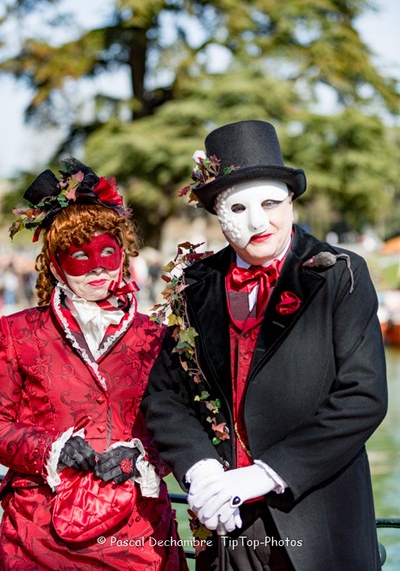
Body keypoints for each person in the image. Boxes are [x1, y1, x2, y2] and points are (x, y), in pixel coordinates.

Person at [141, 120, 388, 571]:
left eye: (271, 203)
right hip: (227, 527)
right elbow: (165, 396)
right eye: (238, 208)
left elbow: (363, 397)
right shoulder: (194, 287)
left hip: (318, 522)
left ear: (291, 201)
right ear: (218, 214)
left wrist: (264, 474)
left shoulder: (340, 273)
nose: (258, 221)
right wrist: (201, 470)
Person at [0, 158, 188, 570]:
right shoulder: (16, 333)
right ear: (55, 265)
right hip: (39, 541)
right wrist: (51, 448)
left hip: (140, 539)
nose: (100, 265)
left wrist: (141, 460)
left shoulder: (158, 336)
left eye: (108, 250)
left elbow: (181, 426)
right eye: (81, 256)